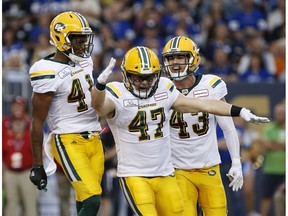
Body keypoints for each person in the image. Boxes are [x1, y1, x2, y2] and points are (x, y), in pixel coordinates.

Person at [91, 46, 269, 215]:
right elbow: (99, 107)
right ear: (126, 75)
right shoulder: (118, 91)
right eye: (137, 77)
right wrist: (99, 86)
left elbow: (205, 104)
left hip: (175, 171)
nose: (144, 83)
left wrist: (241, 111)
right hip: (150, 172)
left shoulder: (165, 88)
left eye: (149, 77)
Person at [28, 11, 109, 216]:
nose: (83, 44)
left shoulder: (85, 61)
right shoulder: (45, 70)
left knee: (84, 200)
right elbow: (37, 121)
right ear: (60, 39)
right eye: (77, 39)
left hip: (94, 136)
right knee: (92, 201)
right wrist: (38, 164)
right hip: (67, 138)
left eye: (85, 39)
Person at [162, 36, 244, 216]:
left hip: (209, 167)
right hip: (178, 170)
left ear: (193, 58)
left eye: (180, 57)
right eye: (170, 58)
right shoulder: (162, 89)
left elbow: (228, 127)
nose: (175, 63)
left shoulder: (210, 84)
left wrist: (236, 161)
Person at [3, 96, 38, 216]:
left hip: (27, 171)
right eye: (15, 121)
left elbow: (39, 151)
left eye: (20, 121)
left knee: (29, 204)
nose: (18, 123)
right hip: (10, 171)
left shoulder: (31, 128)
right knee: (11, 204)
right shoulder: (5, 127)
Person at [259, 102, 285, 216]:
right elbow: (264, 145)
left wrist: (272, 145)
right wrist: (281, 146)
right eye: (278, 113)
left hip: (285, 170)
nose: (280, 115)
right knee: (266, 196)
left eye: (282, 113)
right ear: (274, 114)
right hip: (269, 169)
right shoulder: (269, 128)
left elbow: (269, 144)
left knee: (281, 199)